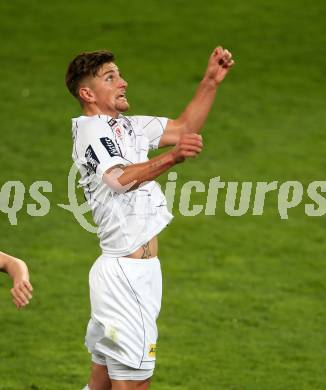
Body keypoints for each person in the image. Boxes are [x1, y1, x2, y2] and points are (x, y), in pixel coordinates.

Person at [65, 46, 234, 390]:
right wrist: (172, 159)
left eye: (119, 74)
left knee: (101, 383)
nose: (123, 82)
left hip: (137, 275)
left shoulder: (127, 127)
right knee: (135, 384)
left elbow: (185, 126)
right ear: (87, 93)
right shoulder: (91, 131)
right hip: (124, 278)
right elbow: (119, 178)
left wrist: (210, 82)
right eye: (110, 78)